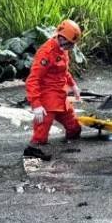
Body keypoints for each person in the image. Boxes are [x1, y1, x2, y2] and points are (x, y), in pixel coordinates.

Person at [24, 19, 83, 160]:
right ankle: (34, 159)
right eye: (70, 44)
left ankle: (67, 155)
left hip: (61, 97)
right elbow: (33, 80)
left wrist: (73, 85)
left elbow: (64, 71)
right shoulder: (46, 53)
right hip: (47, 101)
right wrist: (36, 104)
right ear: (61, 38)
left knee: (75, 128)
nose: (71, 47)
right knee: (40, 136)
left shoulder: (63, 50)